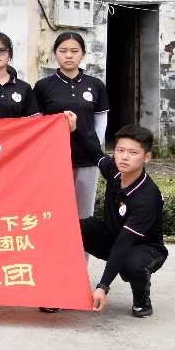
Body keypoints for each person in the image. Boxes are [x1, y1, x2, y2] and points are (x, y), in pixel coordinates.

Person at [67, 117, 166, 317]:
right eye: (120, 150)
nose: (124, 157)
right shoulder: (115, 170)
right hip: (113, 237)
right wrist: (74, 130)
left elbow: (124, 243)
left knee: (132, 265)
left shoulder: (148, 196)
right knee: (73, 228)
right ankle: (64, 288)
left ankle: (141, 295)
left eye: (133, 152)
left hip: (145, 248)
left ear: (147, 157)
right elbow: (95, 154)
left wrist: (103, 287)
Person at [36, 32, 110, 217]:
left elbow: (100, 123)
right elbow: (37, 123)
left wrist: (93, 149)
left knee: (84, 213)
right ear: (55, 53)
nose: (68, 55)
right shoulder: (43, 86)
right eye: (63, 51)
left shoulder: (96, 85)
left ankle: (83, 238)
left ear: (83, 54)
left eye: (74, 51)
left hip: (87, 159)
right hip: (54, 158)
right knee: (55, 210)